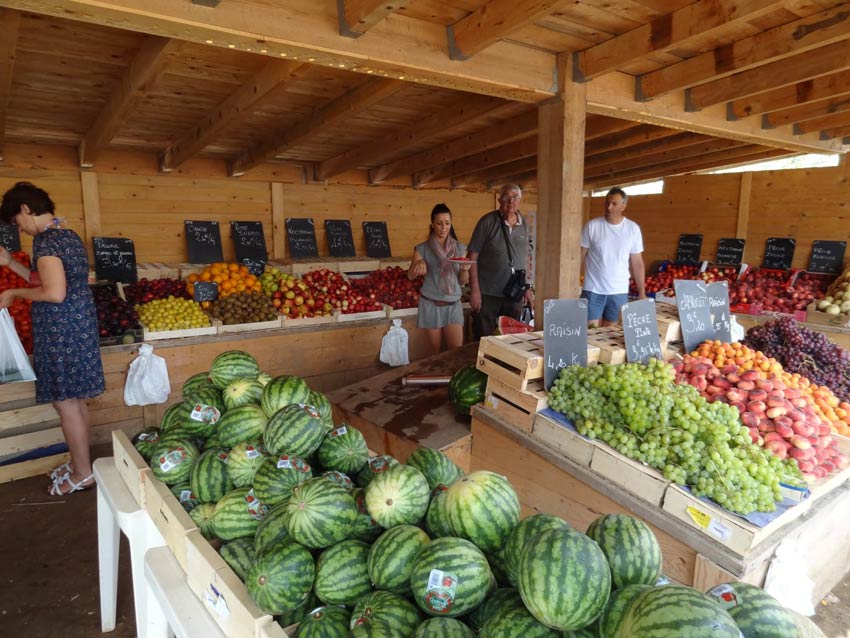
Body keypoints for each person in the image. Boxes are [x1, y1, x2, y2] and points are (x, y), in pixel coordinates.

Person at [0, 182, 105, 496]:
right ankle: (80, 464)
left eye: (17, 220)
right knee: (75, 401)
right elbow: (43, 279)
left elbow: (54, 292)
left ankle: (84, 473)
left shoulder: (46, 241)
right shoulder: (66, 236)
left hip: (62, 331)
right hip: (76, 326)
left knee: (66, 403)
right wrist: (10, 263)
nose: (20, 228)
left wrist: (14, 292)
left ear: (26, 209)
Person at [468, 184, 533, 340]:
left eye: (515, 197)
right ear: (499, 200)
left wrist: (528, 288)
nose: (511, 201)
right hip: (487, 294)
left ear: (520, 200)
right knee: (483, 340)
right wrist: (475, 290)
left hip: (515, 294)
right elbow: (472, 257)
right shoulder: (487, 222)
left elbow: (529, 258)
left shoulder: (526, 225)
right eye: (506, 197)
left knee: (511, 341)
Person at [408, 203, 470, 354]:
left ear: (451, 224)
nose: (444, 227)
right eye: (439, 223)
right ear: (432, 224)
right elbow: (410, 276)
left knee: (456, 351)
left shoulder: (460, 248)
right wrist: (418, 264)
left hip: (453, 304)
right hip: (431, 304)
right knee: (435, 354)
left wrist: (464, 270)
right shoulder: (422, 248)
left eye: (447, 223)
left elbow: (463, 281)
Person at [580, 187, 646, 327]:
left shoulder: (632, 229)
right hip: (593, 289)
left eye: (614, 204)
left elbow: (637, 263)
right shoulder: (592, 226)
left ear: (623, 206)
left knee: (611, 331)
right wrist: (573, 283)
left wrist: (642, 292)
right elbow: (579, 256)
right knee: (589, 330)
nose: (609, 207)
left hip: (619, 290)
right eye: (607, 203)